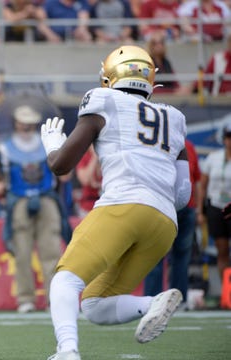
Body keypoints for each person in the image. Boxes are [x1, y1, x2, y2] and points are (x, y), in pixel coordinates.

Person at [40, 45, 190, 359]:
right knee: (94, 306)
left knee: (65, 280)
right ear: (151, 78)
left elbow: (61, 166)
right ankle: (153, 303)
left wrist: (53, 145)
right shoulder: (174, 118)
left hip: (122, 205)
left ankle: (66, 351)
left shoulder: (103, 99)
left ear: (109, 76)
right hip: (164, 223)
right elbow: (182, 196)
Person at [0, 105, 64, 313]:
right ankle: (25, 298)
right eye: (22, 122)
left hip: (45, 198)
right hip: (19, 201)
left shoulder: (47, 144)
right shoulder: (4, 147)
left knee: (51, 250)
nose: (25, 126)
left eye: (29, 122)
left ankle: (54, 299)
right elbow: (2, 178)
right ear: (16, 123)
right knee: (22, 252)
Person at [144, 139, 201, 309]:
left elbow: (195, 179)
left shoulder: (188, 145)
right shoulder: (156, 142)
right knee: (155, 255)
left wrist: (196, 208)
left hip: (185, 209)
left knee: (181, 256)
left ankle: (178, 301)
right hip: (162, 205)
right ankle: (152, 300)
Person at [197, 123, 231, 283]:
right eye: (228, 138)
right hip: (216, 206)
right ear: (224, 139)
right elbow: (202, 186)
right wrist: (200, 211)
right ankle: (226, 290)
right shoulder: (213, 157)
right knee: (222, 248)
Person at [145, 30, 181, 95]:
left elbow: (176, 83)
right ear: (150, 45)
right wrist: (173, 92)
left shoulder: (166, 62)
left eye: (161, 42)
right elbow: (151, 88)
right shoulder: (148, 64)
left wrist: (180, 90)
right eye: (155, 43)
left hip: (170, 97)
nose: (159, 46)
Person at [74, 144, 101, 218]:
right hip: (88, 207)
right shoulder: (84, 157)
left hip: (107, 204)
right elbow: (85, 180)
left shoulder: (108, 157)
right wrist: (95, 157)